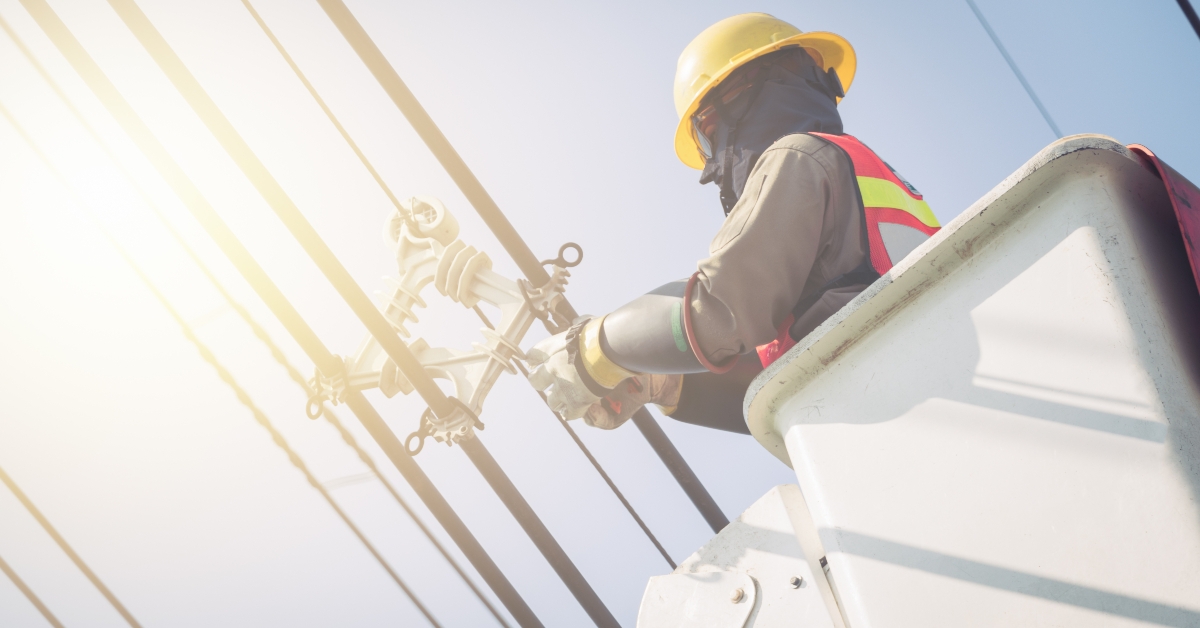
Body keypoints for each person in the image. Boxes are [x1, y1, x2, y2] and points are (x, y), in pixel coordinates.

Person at [528, 13, 940, 434]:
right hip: (913, 405)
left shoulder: (798, 159)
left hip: (895, 417)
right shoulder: (861, 174)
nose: (712, 164)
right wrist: (664, 384)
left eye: (706, 133)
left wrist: (595, 352)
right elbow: (786, 384)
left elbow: (722, 311)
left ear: (742, 93)